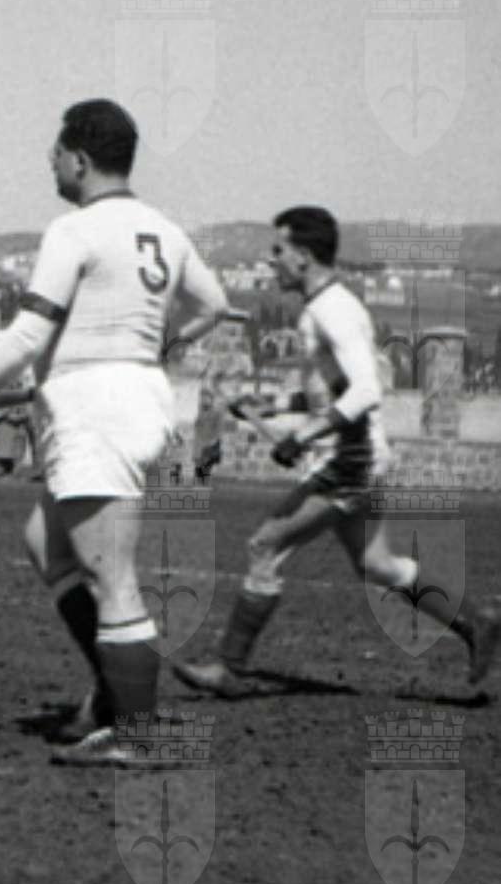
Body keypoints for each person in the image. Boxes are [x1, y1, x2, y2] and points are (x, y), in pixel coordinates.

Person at [0, 99, 229, 762]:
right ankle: (111, 694)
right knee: (47, 545)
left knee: (111, 575)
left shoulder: (73, 230)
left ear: (79, 159)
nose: (49, 161)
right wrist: (160, 344)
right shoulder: (165, 229)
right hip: (135, 399)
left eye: (55, 151)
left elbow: (27, 334)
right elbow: (216, 304)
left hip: (95, 409)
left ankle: (132, 735)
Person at [173, 207, 499, 696]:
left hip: (350, 463)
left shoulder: (333, 311)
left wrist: (301, 437)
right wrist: (276, 405)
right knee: (378, 565)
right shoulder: (323, 308)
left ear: (303, 256)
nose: (270, 260)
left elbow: (366, 391)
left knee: (265, 544)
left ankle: (230, 669)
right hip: (358, 460)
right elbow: (333, 394)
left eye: (278, 250)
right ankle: (477, 623)